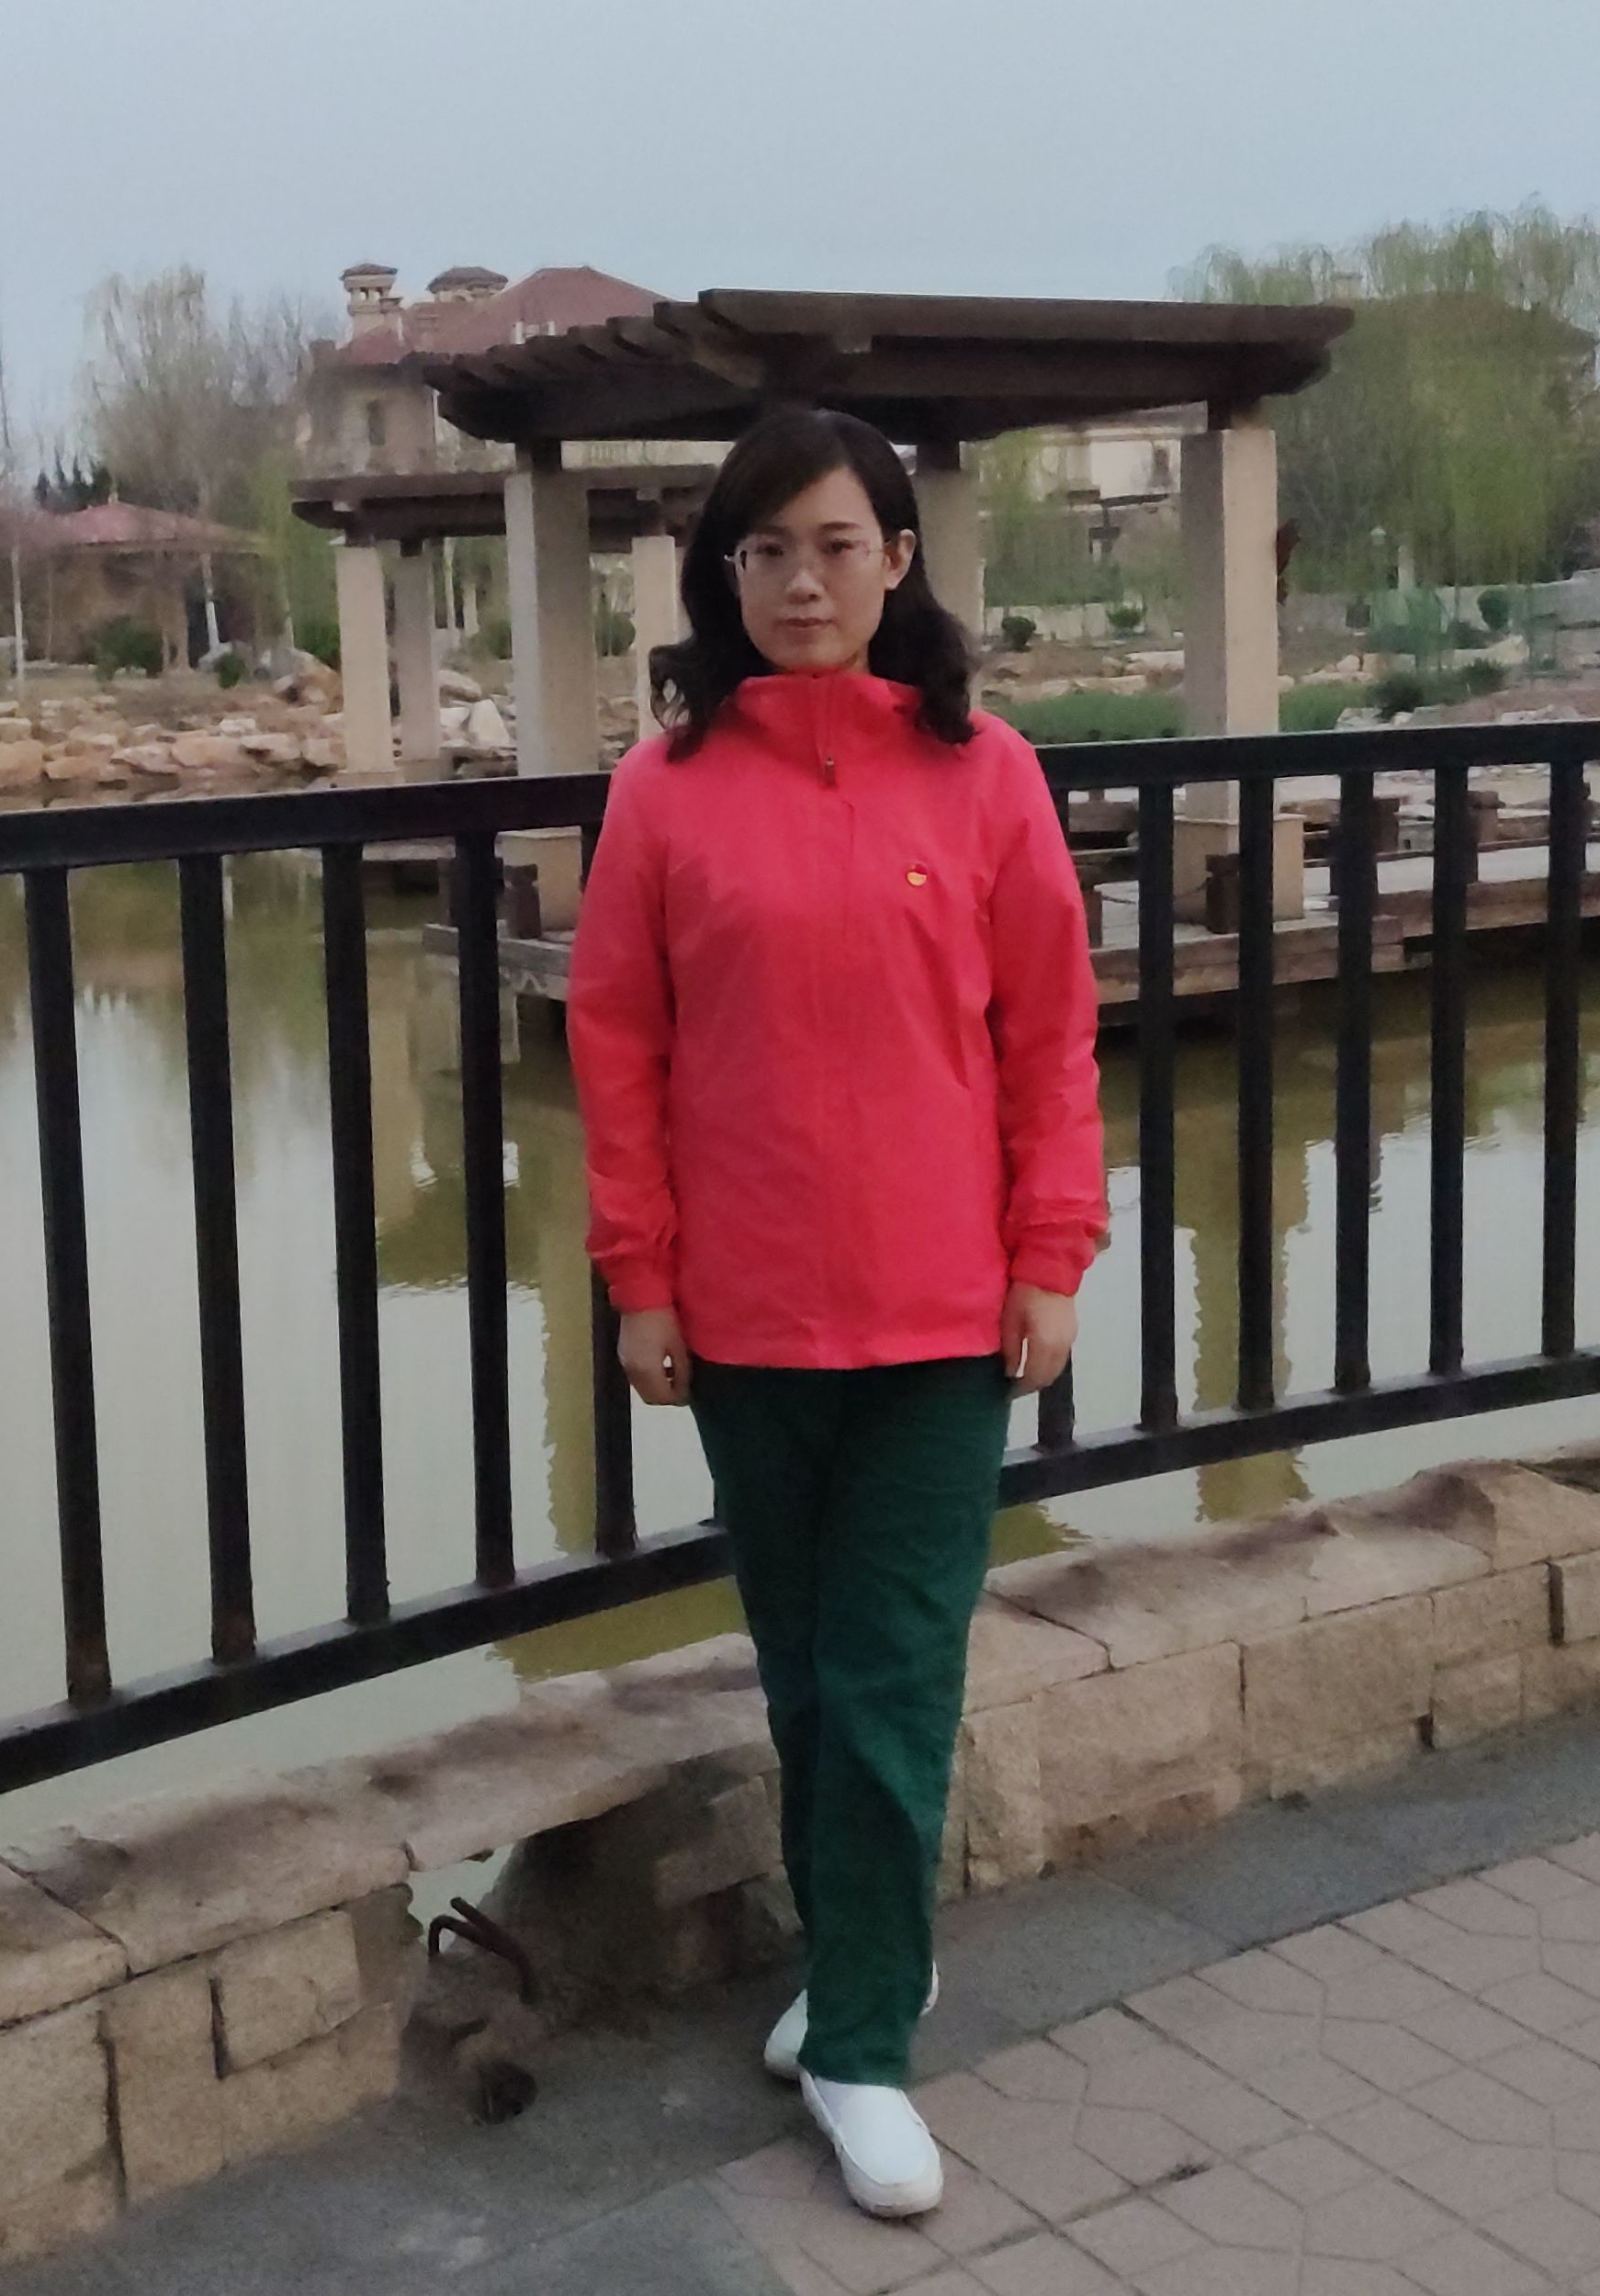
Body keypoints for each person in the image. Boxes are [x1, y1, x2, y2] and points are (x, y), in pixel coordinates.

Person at [567, 406, 1107, 2217]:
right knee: (809, 1674)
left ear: (897, 561)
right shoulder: (665, 789)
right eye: (766, 552)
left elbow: (1049, 1034)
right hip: (744, 1319)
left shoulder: (985, 775)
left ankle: (862, 2039)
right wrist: (640, 1277)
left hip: (940, 1316)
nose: (802, 582)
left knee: (891, 1674)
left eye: (835, 546)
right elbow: (619, 1045)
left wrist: (1050, 1253)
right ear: (724, 577)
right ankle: (869, 1954)